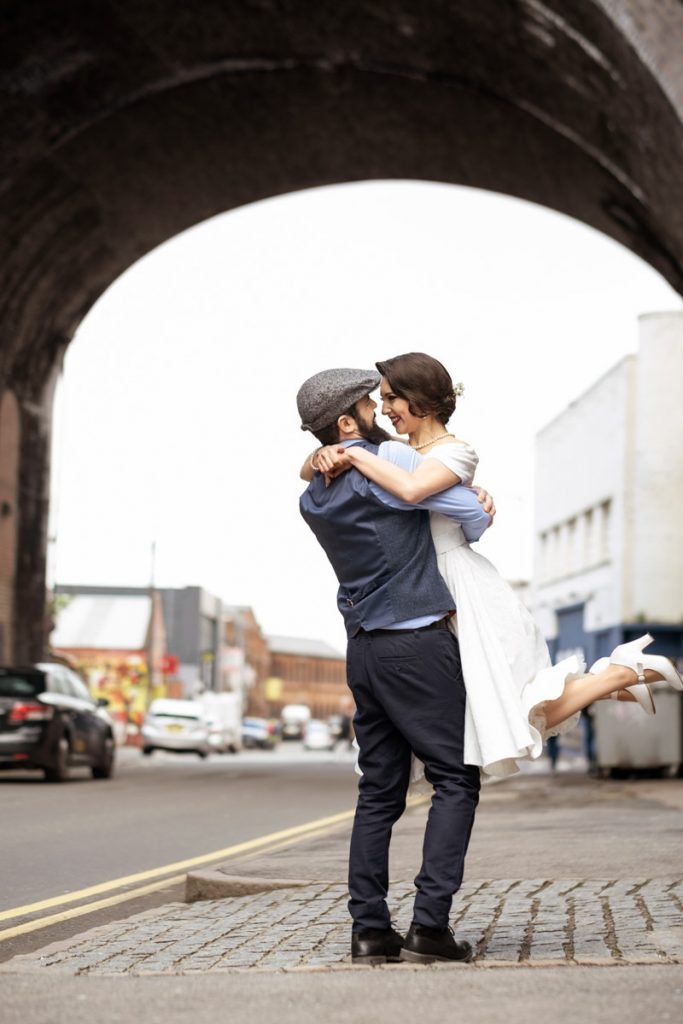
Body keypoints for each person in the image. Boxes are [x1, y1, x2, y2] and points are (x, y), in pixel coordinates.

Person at [306, 352, 683, 781]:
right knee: (479, 711)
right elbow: (319, 464)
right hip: (419, 587)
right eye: (382, 399)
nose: (385, 408)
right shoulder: (392, 452)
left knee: (502, 708)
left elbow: (422, 495)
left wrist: (352, 456)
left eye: (392, 398)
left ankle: (613, 674)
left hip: (457, 586)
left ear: (421, 400)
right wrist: (326, 454)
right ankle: (612, 676)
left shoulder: (449, 453)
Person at [297, 367, 495, 966]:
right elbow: (474, 518)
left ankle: (369, 931)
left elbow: (310, 468)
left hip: (364, 650)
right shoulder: (396, 470)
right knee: (456, 778)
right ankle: (430, 925)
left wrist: (320, 459)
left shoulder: (313, 494)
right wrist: (483, 500)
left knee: (378, 793)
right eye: (369, 404)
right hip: (416, 644)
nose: (381, 412)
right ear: (347, 420)